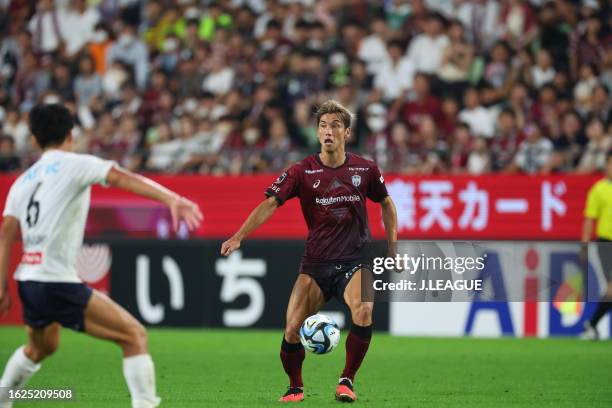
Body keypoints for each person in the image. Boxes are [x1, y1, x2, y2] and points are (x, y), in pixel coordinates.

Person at [0, 103, 203, 408]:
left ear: (33, 139)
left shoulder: (22, 181)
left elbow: (6, 234)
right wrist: (172, 198)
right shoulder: (74, 163)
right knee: (134, 336)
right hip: (56, 280)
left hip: (28, 281)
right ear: (72, 134)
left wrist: (1, 285)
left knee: (40, 348)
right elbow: (118, 176)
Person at [221, 100, 398, 403]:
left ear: (347, 132)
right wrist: (239, 235)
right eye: (323, 126)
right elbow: (269, 204)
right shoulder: (301, 171)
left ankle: (347, 381)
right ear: (317, 133)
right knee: (291, 329)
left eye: (335, 126)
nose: (329, 131)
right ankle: (295, 387)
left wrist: (393, 247)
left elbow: (386, 204)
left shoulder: (365, 169)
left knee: (365, 309)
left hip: (355, 260)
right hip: (316, 264)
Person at [580, 152, 612, 340]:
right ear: (606, 166)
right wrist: (584, 245)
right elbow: (589, 219)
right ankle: (591, 325)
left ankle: (591, 325)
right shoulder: (598, 189)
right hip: (607, 242)